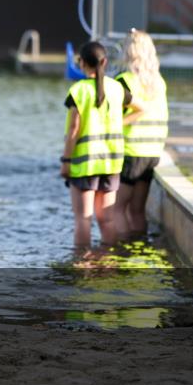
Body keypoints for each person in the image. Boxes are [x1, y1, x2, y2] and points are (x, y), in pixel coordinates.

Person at [60, 42, 133, 250]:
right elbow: (134, 104)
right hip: (111, 164)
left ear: (81, 63)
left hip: (85, 164)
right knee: (107, 219)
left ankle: (82, 263)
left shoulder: (78, 90)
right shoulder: (117, 88)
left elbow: (74, 129)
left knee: (83, 219)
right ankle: (108, 261)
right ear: (105, 62)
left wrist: (66, 160)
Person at [114, 30, 169, 237]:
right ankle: (139, 248)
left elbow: (117, 115)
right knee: (137, 210)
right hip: (152, 152)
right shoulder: (159, 82)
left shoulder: (124, 80)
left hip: (131, 152)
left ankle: (120, 252)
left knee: (116, 209)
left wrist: (115, 126)